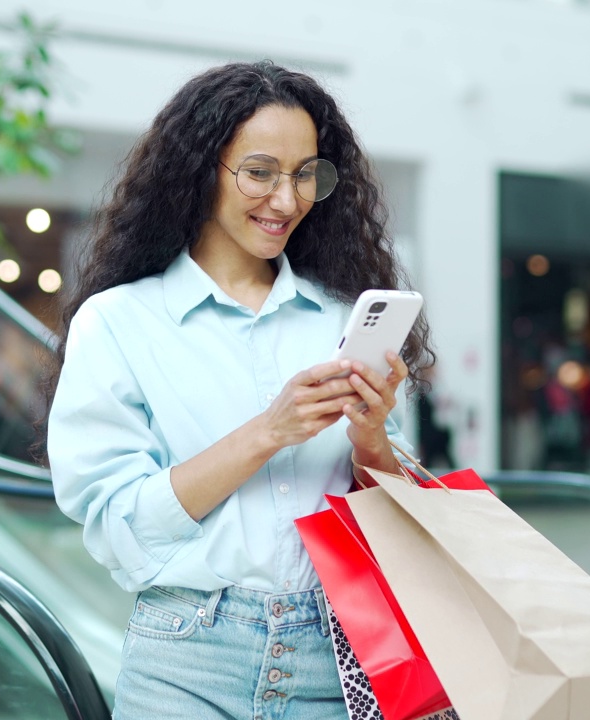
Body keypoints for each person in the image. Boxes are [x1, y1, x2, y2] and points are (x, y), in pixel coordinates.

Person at [40, 61, 435, 718]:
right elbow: (118, 524)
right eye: (260, 173)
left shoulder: (340, 320)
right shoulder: (118, 323)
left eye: (305, 174)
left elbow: (397, 520)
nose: (286, 200)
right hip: (185, 662)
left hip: (336, 660)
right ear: (199, 170)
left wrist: (371, 437)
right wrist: (267, 433)